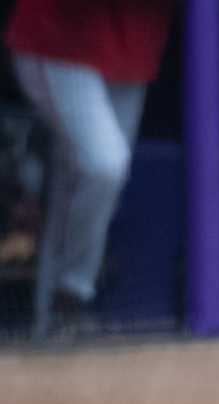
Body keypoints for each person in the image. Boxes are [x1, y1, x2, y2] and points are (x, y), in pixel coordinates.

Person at [4, 0, 174, 337]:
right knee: (104, 164)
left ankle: (51, 322)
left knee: (83, 180)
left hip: (134, 47)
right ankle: (71, 294)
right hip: (60, 43)